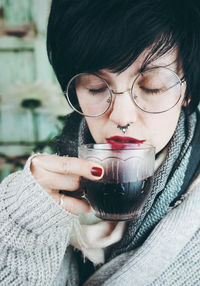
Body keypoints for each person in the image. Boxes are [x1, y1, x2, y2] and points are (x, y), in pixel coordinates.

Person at [1, 0, 200, 285]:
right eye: (95, 87)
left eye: (151, 86)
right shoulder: (44, 191)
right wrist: (23, 226)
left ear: (189, 90)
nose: (121, 116)